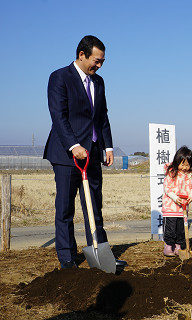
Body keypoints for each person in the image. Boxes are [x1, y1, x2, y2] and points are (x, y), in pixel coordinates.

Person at [43, 35, 126, 269]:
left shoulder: (98, 82)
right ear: (82, 55)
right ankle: (68, 258)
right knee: (65, 209)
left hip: (92, 154)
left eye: (102, 62)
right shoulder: (60, 77)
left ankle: (100, 254)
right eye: (96, 61)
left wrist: (107, 146)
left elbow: (102, 117)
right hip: (66, 154)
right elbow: (58, 116)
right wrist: (73, 145)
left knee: (94, 207)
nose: (99, 66)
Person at [162, 146, 192, 257]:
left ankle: (179, 247)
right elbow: (167, 187)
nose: (185, 168)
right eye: (182, 164)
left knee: (181, 229)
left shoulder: (190, 175)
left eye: (187, 165)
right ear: (177, 162)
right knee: (170, 229)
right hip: (171, 207)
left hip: (183, 208)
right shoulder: (172, 173)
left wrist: (191, 196)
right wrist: (174, 197)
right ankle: (168, 246)